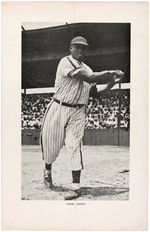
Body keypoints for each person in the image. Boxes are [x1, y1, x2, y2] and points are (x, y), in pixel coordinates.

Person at [40, 36, 124, 200]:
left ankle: (75, 187)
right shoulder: (66, 61)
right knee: (51, 146)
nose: (80, 50)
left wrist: (112, 82)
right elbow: (89, 77)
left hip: (78, 111)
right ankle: (48, 171)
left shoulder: (88, 68)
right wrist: (108, 73)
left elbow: (94, 94)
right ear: (70, 48)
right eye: (77, 47)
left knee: (74, 146)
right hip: (59, 106)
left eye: (83, 48)